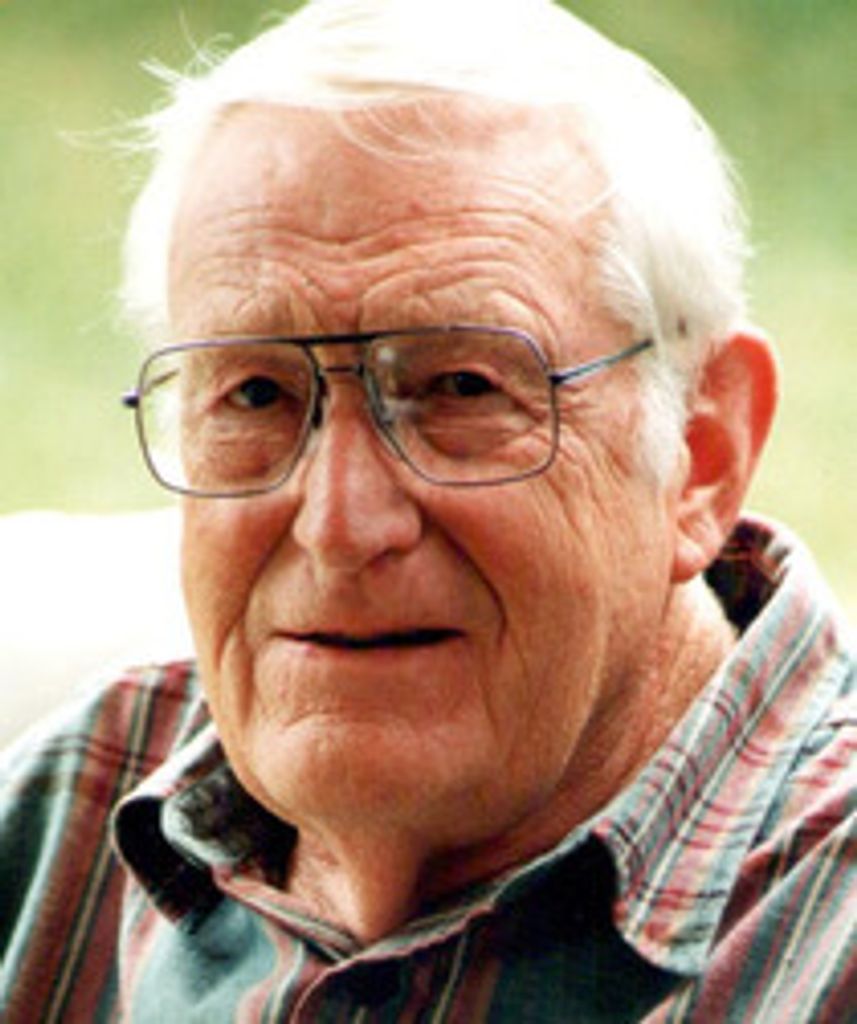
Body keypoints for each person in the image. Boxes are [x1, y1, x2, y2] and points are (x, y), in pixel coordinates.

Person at [1, 0, 853, 1019]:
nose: (339, 527)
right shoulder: (67, 816)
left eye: (459, 388)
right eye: (256, 394)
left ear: (700, 453)